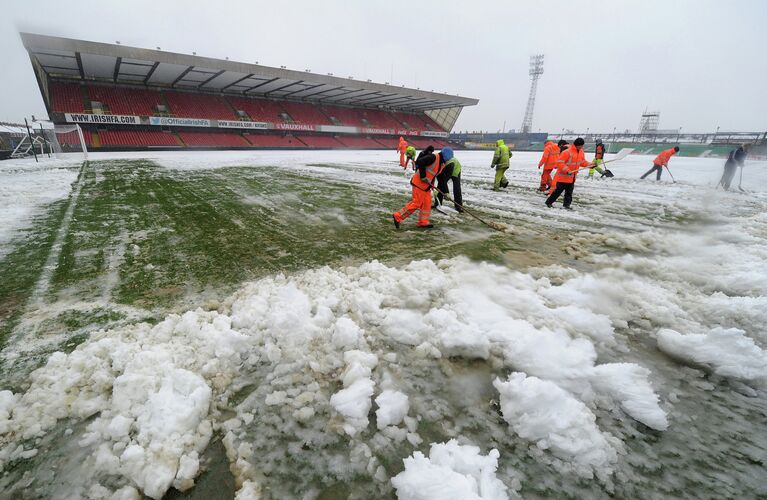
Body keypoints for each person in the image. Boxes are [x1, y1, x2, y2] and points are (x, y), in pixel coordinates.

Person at [393, 147, 453, 229]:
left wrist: (446, 192)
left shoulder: (442, 163)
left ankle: (423, 222)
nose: (447, 161)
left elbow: (442, 179)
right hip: (418, 184)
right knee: (417, 203)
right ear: (445, 156)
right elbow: (420, 162)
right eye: (447, 159)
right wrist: (423, 176)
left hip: (426, 187)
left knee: (427, 203)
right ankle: (398, 216)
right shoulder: (433, 157)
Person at [545, 137, 590, 210]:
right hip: (563, 177)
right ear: (577, 145)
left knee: (569, 193)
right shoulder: (567, 152)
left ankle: (566, 205)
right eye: (581, 145)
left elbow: (582, 162)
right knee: (557, 192)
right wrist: (567, 170)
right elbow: (560, 163)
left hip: (572, 177)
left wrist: (590, 165)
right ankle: (548, 202)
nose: (582, 147)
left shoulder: (581, 152)